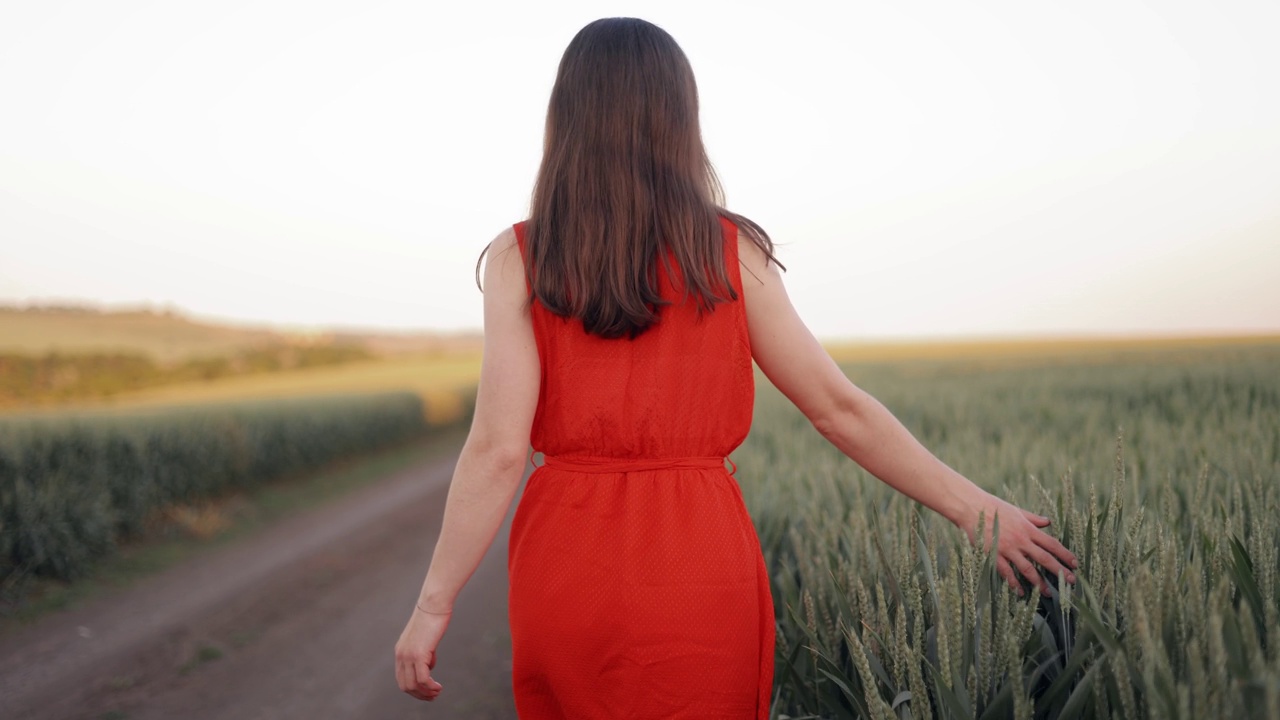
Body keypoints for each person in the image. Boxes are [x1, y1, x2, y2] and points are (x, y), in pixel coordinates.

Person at [394, 16, 1078, 719]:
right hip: (698, 560)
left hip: (567, 566)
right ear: (679, 119)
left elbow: (498, 451)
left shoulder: (520, 258)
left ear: (566, 116)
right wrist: (976, 510)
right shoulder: (730, 252)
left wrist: (433, 604)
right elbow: (838, 410)